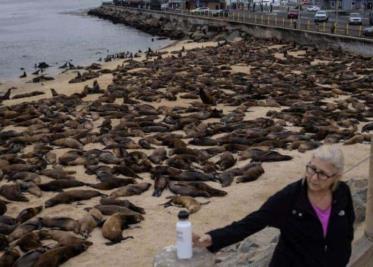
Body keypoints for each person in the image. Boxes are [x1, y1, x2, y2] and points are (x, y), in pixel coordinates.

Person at [193, 145, 355, 266]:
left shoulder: (342, 192)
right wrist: (213, 238)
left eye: (323, 174)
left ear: (336, 176)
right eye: (312, 169)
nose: (313, 178)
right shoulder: (290, 196)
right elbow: (252, 223)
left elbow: (348, 228)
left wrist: (343, 254)